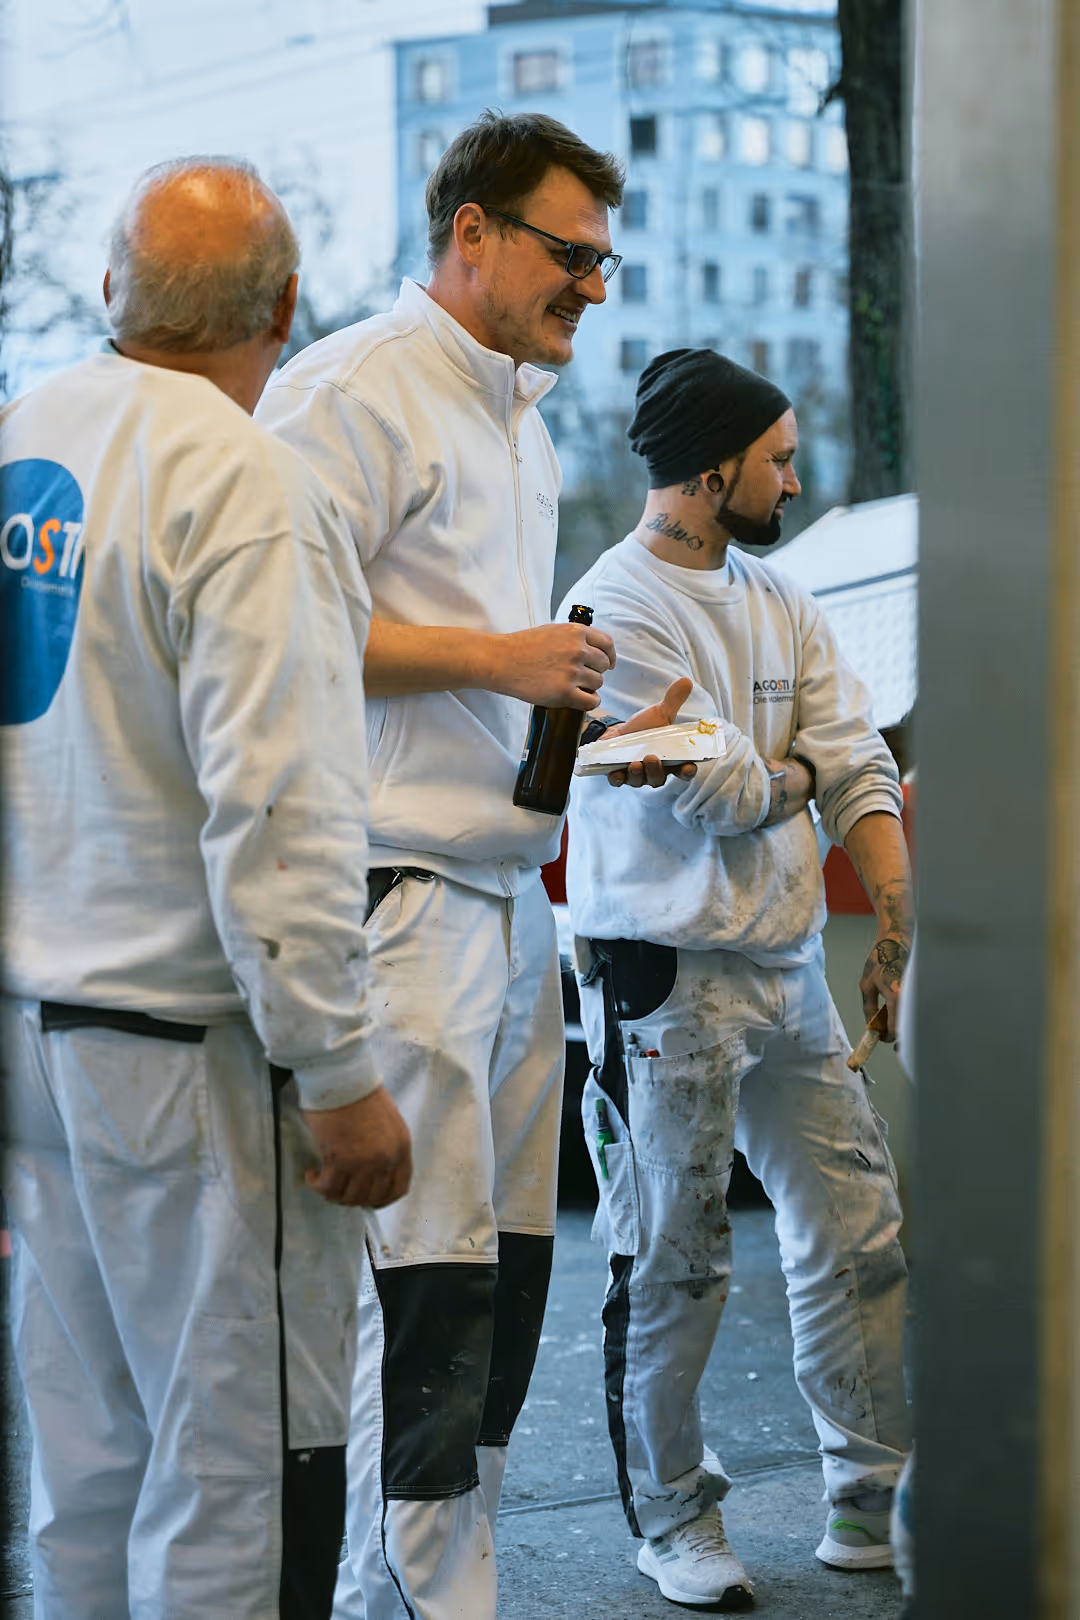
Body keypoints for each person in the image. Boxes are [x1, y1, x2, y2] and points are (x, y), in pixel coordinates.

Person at [0, 157, 411, 1620]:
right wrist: (340, 1064)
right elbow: (282, 807)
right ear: (288, 309)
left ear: (112, 287)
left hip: (35, 1034)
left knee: (88, 1453)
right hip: (186, 1054)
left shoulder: (21, 437)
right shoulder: (248, 486)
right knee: (234, 1470)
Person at [256, 110, 640, 1620]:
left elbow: (486, 673)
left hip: (503, 890)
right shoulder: (349, 391)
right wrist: (498, 653)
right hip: (394, 896)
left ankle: (422, 1574)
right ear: (469, 230)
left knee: (503, 1269)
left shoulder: (519, 415)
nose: (593, 285)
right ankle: (419, 1590)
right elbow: (275, 630)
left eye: (606, 261)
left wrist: (571, 707)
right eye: (570, 252)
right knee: (419, 1274)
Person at [561, 347, 913, 1610]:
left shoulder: (783, 596)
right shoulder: (610, 610)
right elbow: (722, 795)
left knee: (858, 1225)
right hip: (664, 974)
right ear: (712, 469)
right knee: (674, 1257)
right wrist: (799, 777)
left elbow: (854, 749)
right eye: (775, 456)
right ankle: (673, 1520)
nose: (795, 473)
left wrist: (893, 913)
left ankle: (865, 1492)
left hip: (780, 968)